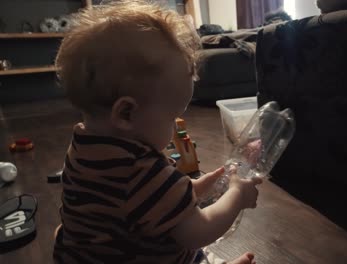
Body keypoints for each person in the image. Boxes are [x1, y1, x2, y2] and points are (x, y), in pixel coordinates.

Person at [53, 1, 262, 263]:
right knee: (192, 253)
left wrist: (202, 185)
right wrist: (237, 196)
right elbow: (197, 231)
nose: (175, 125)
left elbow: (152, 203)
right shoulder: (141, 171)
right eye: (171, 116)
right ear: (126, 113)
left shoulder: (84, 147)